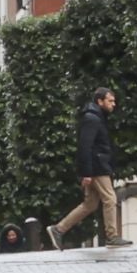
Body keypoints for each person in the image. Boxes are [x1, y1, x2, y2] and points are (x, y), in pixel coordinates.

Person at [46, 87, 127, 249]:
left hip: (96, 166)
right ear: (100, 101)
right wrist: (87, 173)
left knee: (90, 204)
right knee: (110, 199)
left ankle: (58, 229)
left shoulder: (96, 117)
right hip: (97, 168)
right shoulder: (93, 119)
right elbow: (85, 146)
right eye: (110, 101)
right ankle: (112, 236)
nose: (114, 104)